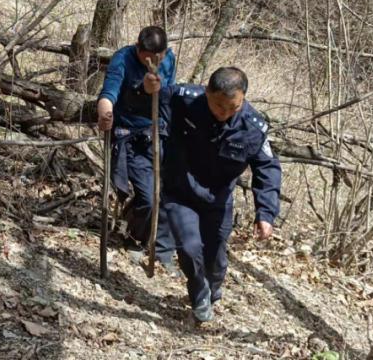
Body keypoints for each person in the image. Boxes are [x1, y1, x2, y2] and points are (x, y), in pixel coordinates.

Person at [158, 67, 281, 322]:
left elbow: (268, 168)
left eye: (232, 107)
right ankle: (199, 292)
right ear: (207, 92)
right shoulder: (184, 99)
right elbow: (152, 99)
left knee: (215, 257)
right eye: (218, 106)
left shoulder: (254, 128)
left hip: (218, 199)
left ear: (243, 99)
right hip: (180, 191)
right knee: (189, 247)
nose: (224, 113)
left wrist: (266, 213)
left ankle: (212, 288)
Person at [96, 26, 179, 274]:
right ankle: (134, 238)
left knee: (168, 191)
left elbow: (169, 94)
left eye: (158, 57)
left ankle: (160, 246)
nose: (152, 62)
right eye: (147, 58)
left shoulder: (169, 59)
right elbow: (108, 94)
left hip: (158, 132)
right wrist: (105, 114)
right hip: (130, 134)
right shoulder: (122, 59)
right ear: (137, 48)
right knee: (149, 195)